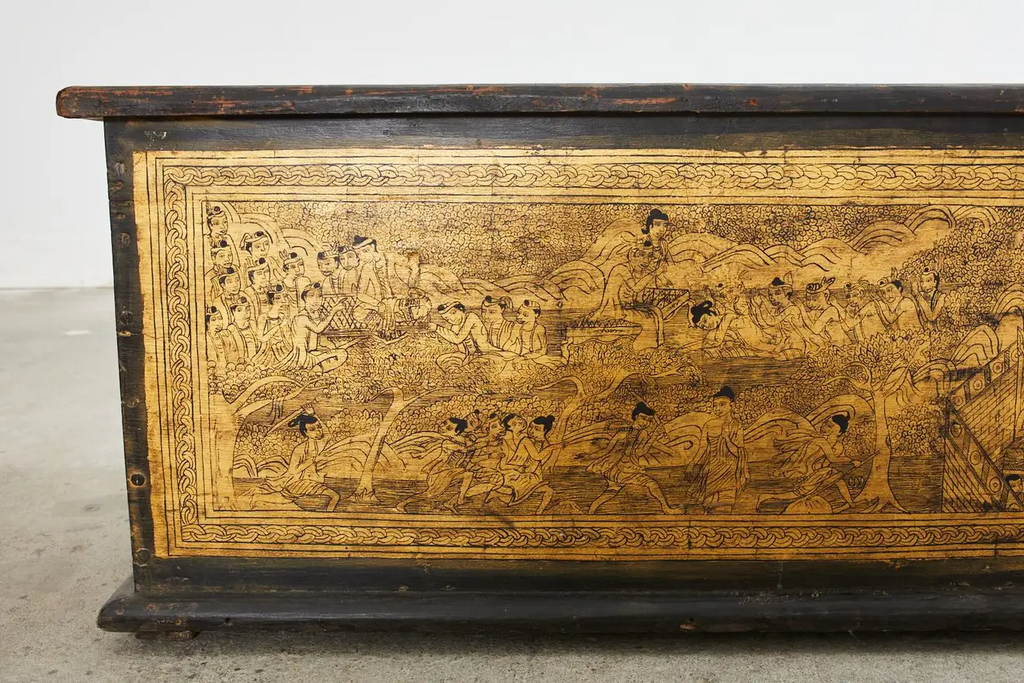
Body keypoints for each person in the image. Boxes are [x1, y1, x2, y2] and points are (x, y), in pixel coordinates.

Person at [587, 402, 681, 514]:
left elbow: (641, 451)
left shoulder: (642, 433)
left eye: (649, 420)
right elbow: (610, 450)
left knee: (611, 491)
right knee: (652, 484)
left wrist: (654, 436)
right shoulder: (624, 433)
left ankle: (590, 511)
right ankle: (666, 509)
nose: (646, 422)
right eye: (643, 418)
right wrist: (590, 457)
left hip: (620, 470)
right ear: (636, 417)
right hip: (621, 469)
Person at [761, 413, 860, 513]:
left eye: (830, 426)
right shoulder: (821, 441)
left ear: (839, 432)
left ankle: (850, 504)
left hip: (815, 472)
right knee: (798, 494)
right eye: (826, 423)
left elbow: (830, 461)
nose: (825, 426)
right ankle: (767, 496)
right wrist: (851, 462)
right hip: (805, 473)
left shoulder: (837, 446)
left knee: (837, 478)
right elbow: (832, 459)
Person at [263, 412, 340, 511]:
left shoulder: (318, 445)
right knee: (334, 496)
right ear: (305, 433)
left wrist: (314, 414)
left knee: (333, 497)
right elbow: (292, 471)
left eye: (319, 427)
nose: (318, 431)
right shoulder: (300, 449)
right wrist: (311, 460)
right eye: (312, 429)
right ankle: (328, 519)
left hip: (310, 481)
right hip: (299, 483)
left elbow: (328, 435)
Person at [689, 386, 749, 513]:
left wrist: (727, 439)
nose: (718, 409)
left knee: (725, 506)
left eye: (722, 404)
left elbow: (739, 452)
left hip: (728, 471)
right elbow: (702, 448)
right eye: (715, 405)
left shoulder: (737, 426)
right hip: (712, 470)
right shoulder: (708, 425)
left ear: (731, 405)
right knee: (709, 505)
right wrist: (692, 463)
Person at [396, 417, 475, 513]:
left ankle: (456, 500)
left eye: (449, 428)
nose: (443, 427)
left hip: (452, 471)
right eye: (444, 423)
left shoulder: (458, 441)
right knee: (429, 494)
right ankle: (402, 503)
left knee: (468, 474)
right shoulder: (448, 443)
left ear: (457, 432)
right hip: (441, 472)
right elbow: (464, 449)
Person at [592, 247, 663, 349]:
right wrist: (653, 274)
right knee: (648, 320)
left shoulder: (636, 271)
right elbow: (636, 288)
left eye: (649, 256)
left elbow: (639, 296)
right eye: (641, 255)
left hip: (627, 308)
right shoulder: (621, 269)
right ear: (631, 256)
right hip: (614, 311)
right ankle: (643, 350)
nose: (646, 261)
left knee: (655, 313)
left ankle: (649, 348)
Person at [489, 413, 554, 513]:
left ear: (544, 431)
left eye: (536, 429)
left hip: (532, 475)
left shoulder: (544, 444)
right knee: (514, 489)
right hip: (526, 475)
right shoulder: (526, 440)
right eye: (531, 427)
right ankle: (495, 492)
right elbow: (535, 457)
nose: (531, 431)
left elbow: (539, 463)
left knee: (548, 491)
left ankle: (539, 513)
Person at [285, 283, 351, 371]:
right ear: (305, 298)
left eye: (319, 296)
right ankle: (313, 368)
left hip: (312, 352)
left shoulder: (314, 315)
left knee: (340, 352)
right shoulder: (301, 317)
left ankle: (317, 367)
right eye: (311, 296)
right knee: (341, 353)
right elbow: (318, 329)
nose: (316, 300)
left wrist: (322, 348)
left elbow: (314, 341)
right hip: (303, 358)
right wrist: (333, 311)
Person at [691, 299, 776, 358]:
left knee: (767, 349)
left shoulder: (727, 318)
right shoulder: (718, 326)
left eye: (705, 321)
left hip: (752, 335)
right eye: (702, 326)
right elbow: (708, 340)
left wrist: (702, 346)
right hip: (748, 339)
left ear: (711, 313)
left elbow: (717, 341)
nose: (706, 326)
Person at [428, 302, 497, 368]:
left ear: (461, 309)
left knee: (474, 363)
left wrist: (437, 328)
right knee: (441, 359)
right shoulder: (454, 327)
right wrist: (436, 336)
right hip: (469, 355)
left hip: (485, 352)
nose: (452, 319)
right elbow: (460, 348)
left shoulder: (471, 317)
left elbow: (457, 339)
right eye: (447, 319)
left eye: (453, 313)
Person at [751, 277, 806, 358]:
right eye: (770, 294)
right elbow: (764, 325)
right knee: (763, 355)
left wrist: (761, 306)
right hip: (784, 344)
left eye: (777, 293)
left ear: (787, 295)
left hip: (797, 344)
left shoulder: (792, 309)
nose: (772, 297)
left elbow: (771, 321)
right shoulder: (779, 309)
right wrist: (756, 307)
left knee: (778, 358)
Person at [798, 276, 850, 350]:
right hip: (830, 345)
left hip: (840, 346)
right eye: (808, 299)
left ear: (825, 295)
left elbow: (815, 330)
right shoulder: (816, 311)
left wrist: (802, 309)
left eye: (815, 299)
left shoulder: (831, 310)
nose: (811, 303)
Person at [513, 299, 564, 367]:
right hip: (519, 357)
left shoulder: (539, 328)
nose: (519, 317)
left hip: (535, 358)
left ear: (536, 315)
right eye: (519, 313)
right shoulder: (518, 328)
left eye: (525, 315)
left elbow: (542, 351)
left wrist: (525, 357)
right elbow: (512, 344)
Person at [254, 286, 295, 367]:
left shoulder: (282, 316)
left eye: (284, 297)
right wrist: (279, 326)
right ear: (272, 300)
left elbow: (289, 336)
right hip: (268, 351)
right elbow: (261, 338)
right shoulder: (263, 317)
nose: (283, 301)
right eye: (278, 298)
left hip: (284, 349)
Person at [912, 267, 946, 332]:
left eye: (928, 281)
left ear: (935, 282)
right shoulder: (920, 296)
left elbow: (931, 317)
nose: (924, 285)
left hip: (938, 333)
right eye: (921, 281)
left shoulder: (941, 297)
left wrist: (917, 294)